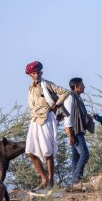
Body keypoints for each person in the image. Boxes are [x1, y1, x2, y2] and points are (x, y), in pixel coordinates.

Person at [25, 61, 70, 190]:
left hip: (47, 119)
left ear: (41, 72)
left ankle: (51, 182)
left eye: (38, 72)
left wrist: (56, 105)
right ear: (30, 75)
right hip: (34, 119)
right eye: (34, 73)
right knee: (30, 152)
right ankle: (44, 179)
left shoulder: (47, 84)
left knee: (47, 152)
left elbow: (65, 92)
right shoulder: (30, 88)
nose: (37, 74)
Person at [63, 77, 91, 187]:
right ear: (76, 87)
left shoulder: (77, 97)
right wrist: (70, 135)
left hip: (76, 130)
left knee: (76, 156)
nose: (84, 86)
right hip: (75, 131)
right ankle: (77, 180)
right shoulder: (70, 97)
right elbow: (67, 117)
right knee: (84, 154)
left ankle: (74, 183)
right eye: (82, 84)